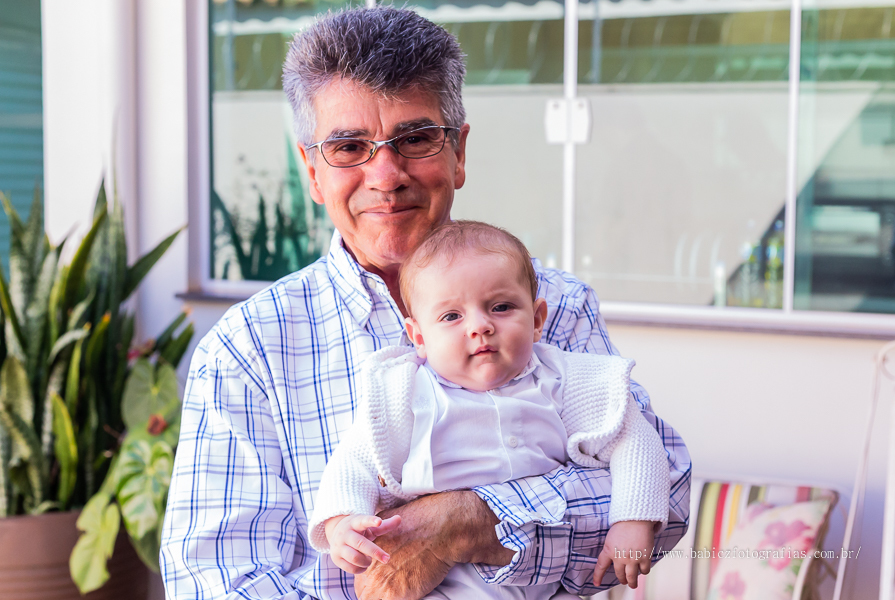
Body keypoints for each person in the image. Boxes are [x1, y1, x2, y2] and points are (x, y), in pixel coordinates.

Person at [159, 6, 691, 600]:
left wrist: (467, 522)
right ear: (312, 171)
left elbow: (661, 492)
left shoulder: (553, 306)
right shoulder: (247, 349)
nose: (385, 175)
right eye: (348, 146)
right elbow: (215, 582)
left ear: (458, 153)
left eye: (414, 139)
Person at [312, 221, 672, 600]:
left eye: (501, 307)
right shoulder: (404, 393)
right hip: (435, 588)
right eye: (452, 317)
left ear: (536, 320)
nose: (480, 326)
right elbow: (353, 461)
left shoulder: (565, 379)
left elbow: (634, 439)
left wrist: (633, 520)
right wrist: (341, 522)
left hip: (538, 585)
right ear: (419, 337)